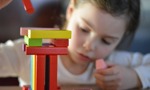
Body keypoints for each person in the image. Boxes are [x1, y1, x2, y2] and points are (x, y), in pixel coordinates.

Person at [0, 0, 150, 90]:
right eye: (84, 29)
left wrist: (134, 77)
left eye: (106, 41)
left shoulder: (114, 64)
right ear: (70, 11)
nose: (89, 46)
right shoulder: (27, 54)